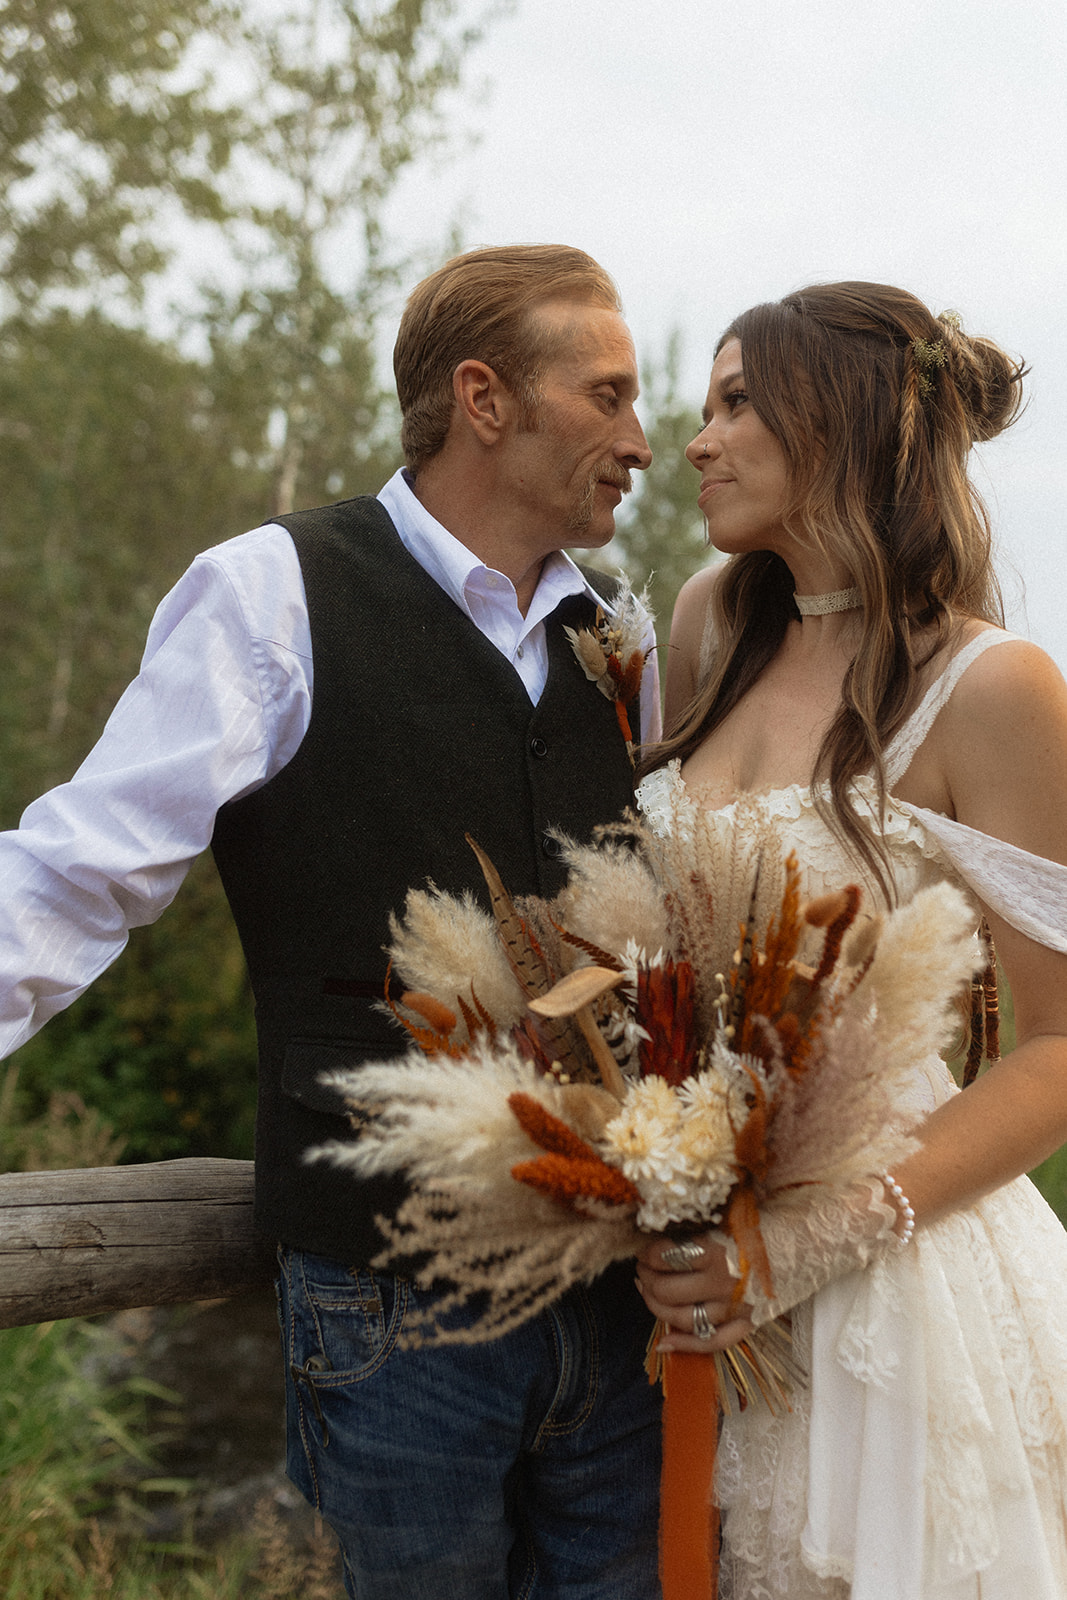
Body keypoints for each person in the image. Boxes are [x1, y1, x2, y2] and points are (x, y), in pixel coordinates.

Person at [0, 244, 665, 1598]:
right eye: (607, 395)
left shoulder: (622, 642)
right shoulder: (269, 592)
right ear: (485, 400)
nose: (642, 441)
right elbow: (83, 868)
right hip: (395, 1313)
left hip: (619, 1316)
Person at [633, 282, 1067, 1598]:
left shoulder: (994, 688)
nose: (697, 440)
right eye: (704, 405)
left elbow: (1055, 1049)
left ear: (848, 427)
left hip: (888, 1279)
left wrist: (799, 1246)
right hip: (680, 1263)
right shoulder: (710, 619)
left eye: (737, 404)